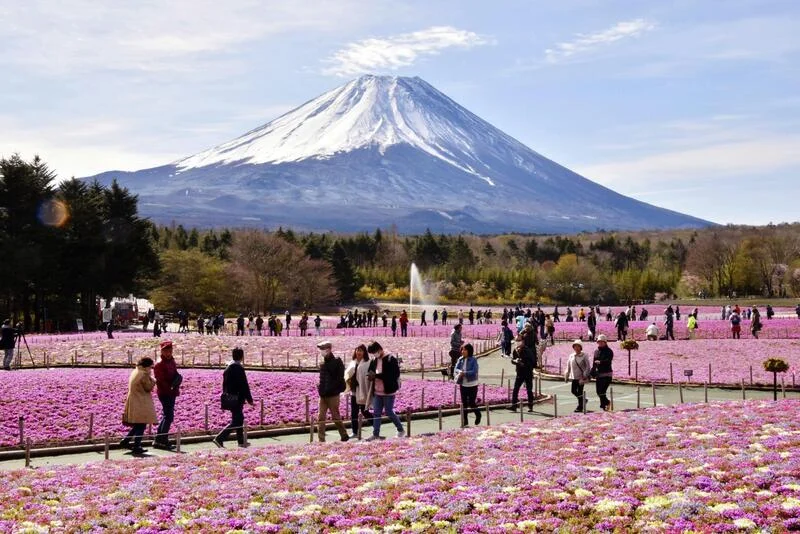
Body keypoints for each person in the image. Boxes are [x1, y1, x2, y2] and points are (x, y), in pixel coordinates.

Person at [213, 348, 253, 448]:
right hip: (237, 398)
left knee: (239, 419)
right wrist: (249, 399)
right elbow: (244, 385)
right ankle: (220, 438)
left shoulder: (228, 367)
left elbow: (225, 384)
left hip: (230, 398)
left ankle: (241, 442)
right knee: (237, 420)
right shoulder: (238, 368)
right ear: (242, 356)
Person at [366, 341, 405, 440]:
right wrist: (370, 375)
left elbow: (393, 374)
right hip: (377, 391)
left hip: (388, 391)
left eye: (374, 352)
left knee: (389, 411)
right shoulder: (374, 360)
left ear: (379, 349)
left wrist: (377, 376)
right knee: (376, 413)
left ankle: (400, 429)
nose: (374, 354)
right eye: (372, 353)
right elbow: (370, 371)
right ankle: (375, 434)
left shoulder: (390, 359)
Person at [120, 357, 158, 455]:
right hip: (141, 401)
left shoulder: (136, 371)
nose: (151, 369)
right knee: (142, 424)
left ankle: (126, 441)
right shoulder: (144, 374)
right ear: (146, 366)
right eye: (150, 367)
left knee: (138, 424)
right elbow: (148, 387)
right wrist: (153, 380)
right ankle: (137, 446)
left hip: (134, 399)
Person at [316, 340, 349, 442]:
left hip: (333, 395)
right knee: (321, 417)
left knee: (335, 416)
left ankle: (344, 435)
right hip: (323, 395)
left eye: (323, 349)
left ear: (329, 350)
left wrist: (332, 389)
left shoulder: (337, 361)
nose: (321, 351)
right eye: (320, 349)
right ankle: (321, 440)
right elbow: (322, 378)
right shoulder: (322, 362)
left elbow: (339, 378)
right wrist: (320, 388)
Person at [153, 340, 181, 450]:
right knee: (168, 416)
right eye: (166, 351)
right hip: (165, 392)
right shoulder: (159, 364)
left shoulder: (171, 361)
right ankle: (162, 440)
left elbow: (175, 373)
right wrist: (171, 386)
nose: (168, 353)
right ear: (162, 351)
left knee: (167, 416)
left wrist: (178, 378)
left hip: (172, 391)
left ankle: (159, 439)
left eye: (170, 351)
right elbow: (160, 380)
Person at [346, 344, 373, 439]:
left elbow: (369, 376)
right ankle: (355, 432)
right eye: (357, 350)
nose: (358, 352)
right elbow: (347, 374)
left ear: (364, 352)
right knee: (354, 413)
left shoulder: (368, 363)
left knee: (365, 411)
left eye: (361, 350)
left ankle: (376, 426)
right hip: (354, 391)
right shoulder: (352, 362)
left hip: (363, 390)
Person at [454, 343, 481, 426]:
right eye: (462, 349)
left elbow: (474, 371)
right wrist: (460, 372)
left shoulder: (473, 359)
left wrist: (465, 373)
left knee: (472, 403)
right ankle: (465, 421)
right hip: (463, 384)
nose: (463, 351)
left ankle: (478, 414)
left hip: (472, 384)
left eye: (465, 350)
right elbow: (456, 368)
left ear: (469, 351)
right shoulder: (460, 359)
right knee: (464, 403)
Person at [564, 340, 591, 412]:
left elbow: (587, 366)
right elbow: (568, 366)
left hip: (581, 377)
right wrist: (566, 375)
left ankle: (580, 407)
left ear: (581, 347)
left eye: (578, 346)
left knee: (580, 392)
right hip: (574, 377)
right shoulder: (571, 356)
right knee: (573, 391)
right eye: (575, 346)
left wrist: (585, 375)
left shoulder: (584, 355)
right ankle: (583, 400)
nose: (576, 348)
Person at [510, 336, 535, 412]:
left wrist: (523, 363)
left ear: (523, 341)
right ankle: (514, 405)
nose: (517, 342)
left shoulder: (527, 350)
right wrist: (515, 361)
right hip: (519, 372)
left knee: (529, 389)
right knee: (515, 388)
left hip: (528, 372)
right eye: (516, 340)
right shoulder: (515, 350)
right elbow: (513, 360)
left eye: (519, 340)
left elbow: (532, 362)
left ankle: (530, 406)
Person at [592, 334, 613, 411]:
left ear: (605, 342)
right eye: (599, 342)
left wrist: (600, 362)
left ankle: (604, 404)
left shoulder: (609, 351)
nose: (600, 343)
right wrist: (593, 370)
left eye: (602, 342)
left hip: (607, 374)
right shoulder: (596, 351)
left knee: (602, 391)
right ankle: (606, 403)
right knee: (598, 392)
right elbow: (594, 362)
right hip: (599, 374)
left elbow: (608, 361)